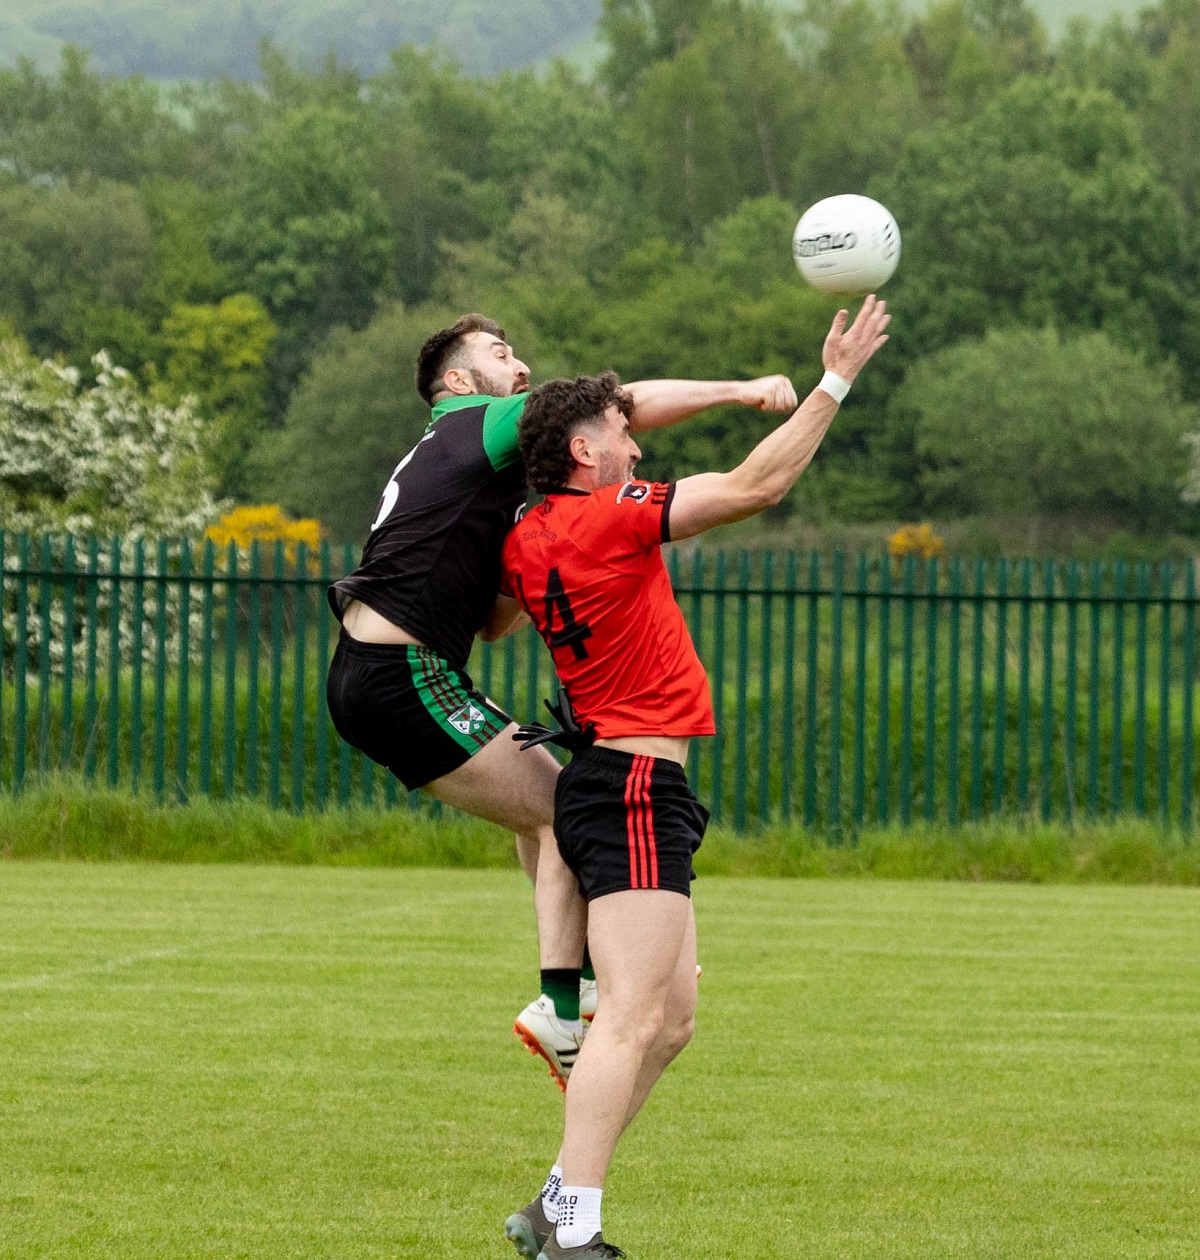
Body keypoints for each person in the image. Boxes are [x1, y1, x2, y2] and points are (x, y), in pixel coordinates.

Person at [500, 296, 890, 1259]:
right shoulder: (606, 520)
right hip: (629, 785)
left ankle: (554, 1202)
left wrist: (731, 389)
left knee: (669, 1021)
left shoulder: (531, 529)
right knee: (629, 1018)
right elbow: (760, 485)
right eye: (618, 434)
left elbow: (500, 606)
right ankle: (573, 1231)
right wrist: (834, 380)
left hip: (627, 784)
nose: (634, 443)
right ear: (587, 456)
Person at [324, 312, 800, 1090]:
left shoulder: (474, 471)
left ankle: (576, 983)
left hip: (385, 668)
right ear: (456, 381)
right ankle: (563, 998)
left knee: (541, 803)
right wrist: (737, 391)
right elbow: (617, 405)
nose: (519, 366)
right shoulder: (474, 421)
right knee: (561, 806)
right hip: (399, 669)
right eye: (499, 354)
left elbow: (493, 620)